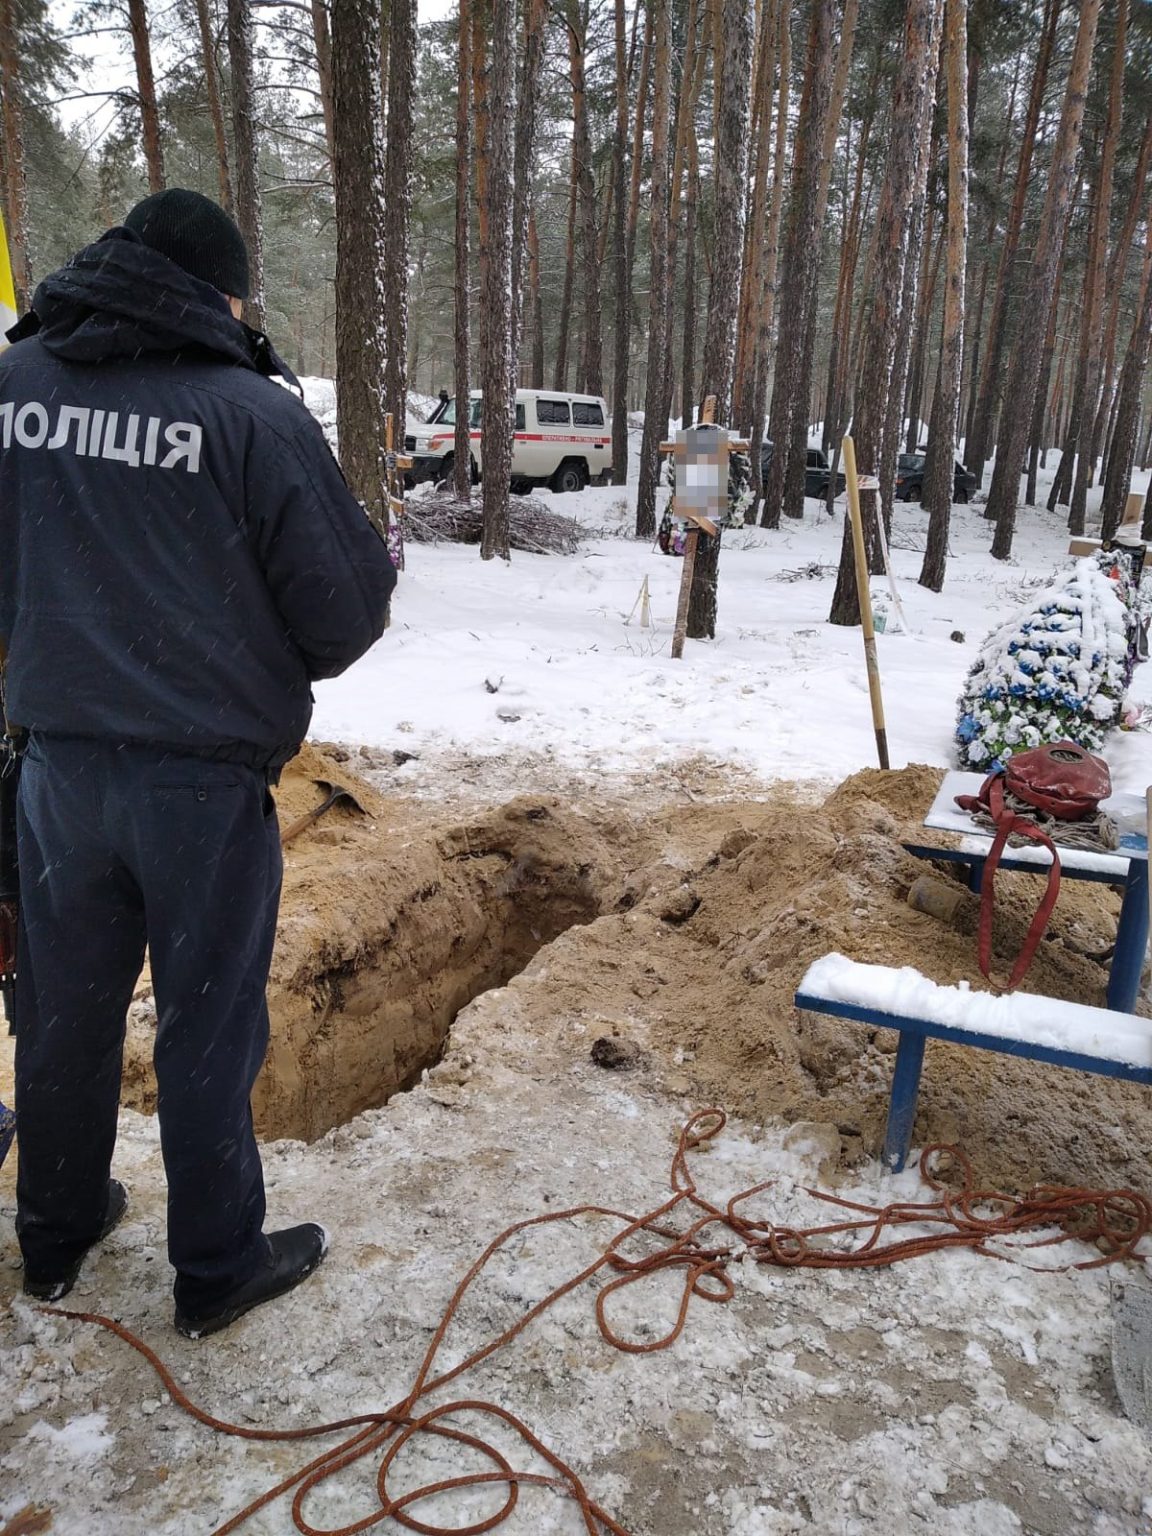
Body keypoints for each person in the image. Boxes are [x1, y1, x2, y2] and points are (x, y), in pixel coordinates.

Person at [0, 189, 396, 1337]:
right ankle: (217, 1265)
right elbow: (343, 616)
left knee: (64, 1010)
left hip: (59, 771)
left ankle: (56, 1230)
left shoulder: (17, 390)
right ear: (213, 292)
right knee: (207, 1023)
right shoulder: (251, 416)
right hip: (201, 782)